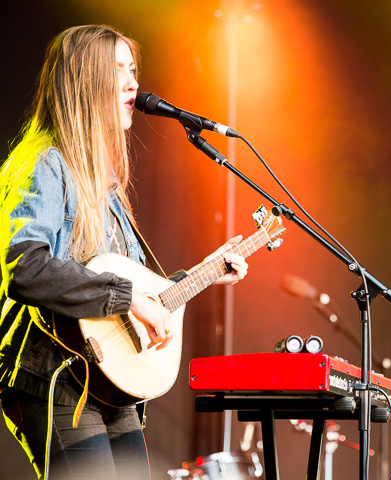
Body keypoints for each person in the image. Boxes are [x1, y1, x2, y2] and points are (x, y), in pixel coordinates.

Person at [0, 25, 249, 480]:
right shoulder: (46, 162)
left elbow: (136, 293)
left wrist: (205, 272)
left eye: (133, 70)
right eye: (118, 71)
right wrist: (129, 298)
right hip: (57, 376)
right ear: (83, 81)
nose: (134, 84)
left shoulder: (108, 186)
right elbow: (26, 266)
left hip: (108, 384)